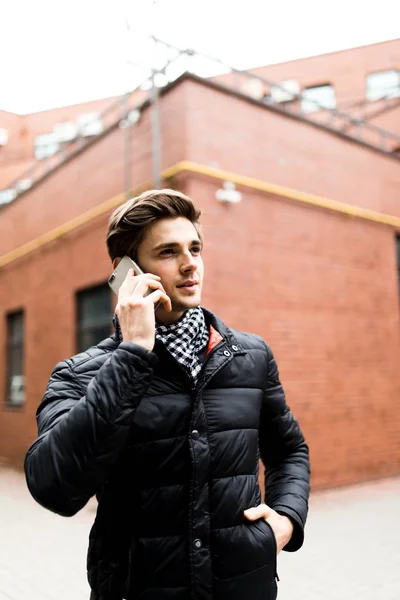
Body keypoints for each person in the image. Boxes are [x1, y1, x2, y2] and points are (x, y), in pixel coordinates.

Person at [25, 189, 310, 600]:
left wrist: (286, 517)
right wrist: (133, 354)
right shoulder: (81, 374)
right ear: (127, 272)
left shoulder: (251, 356)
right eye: (168, 251)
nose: (190, 262)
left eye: (195, 247)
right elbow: (54, 487)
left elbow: (289, 450)